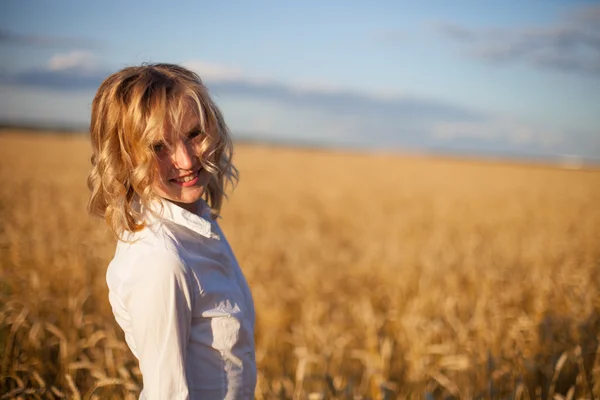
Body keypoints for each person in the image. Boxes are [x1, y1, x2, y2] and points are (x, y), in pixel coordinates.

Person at [87, 63, 256, 399]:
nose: (187, 160)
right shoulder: (162, 261)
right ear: (124, 157)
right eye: (158, 147)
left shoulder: (198, 224)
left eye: (194, 134)